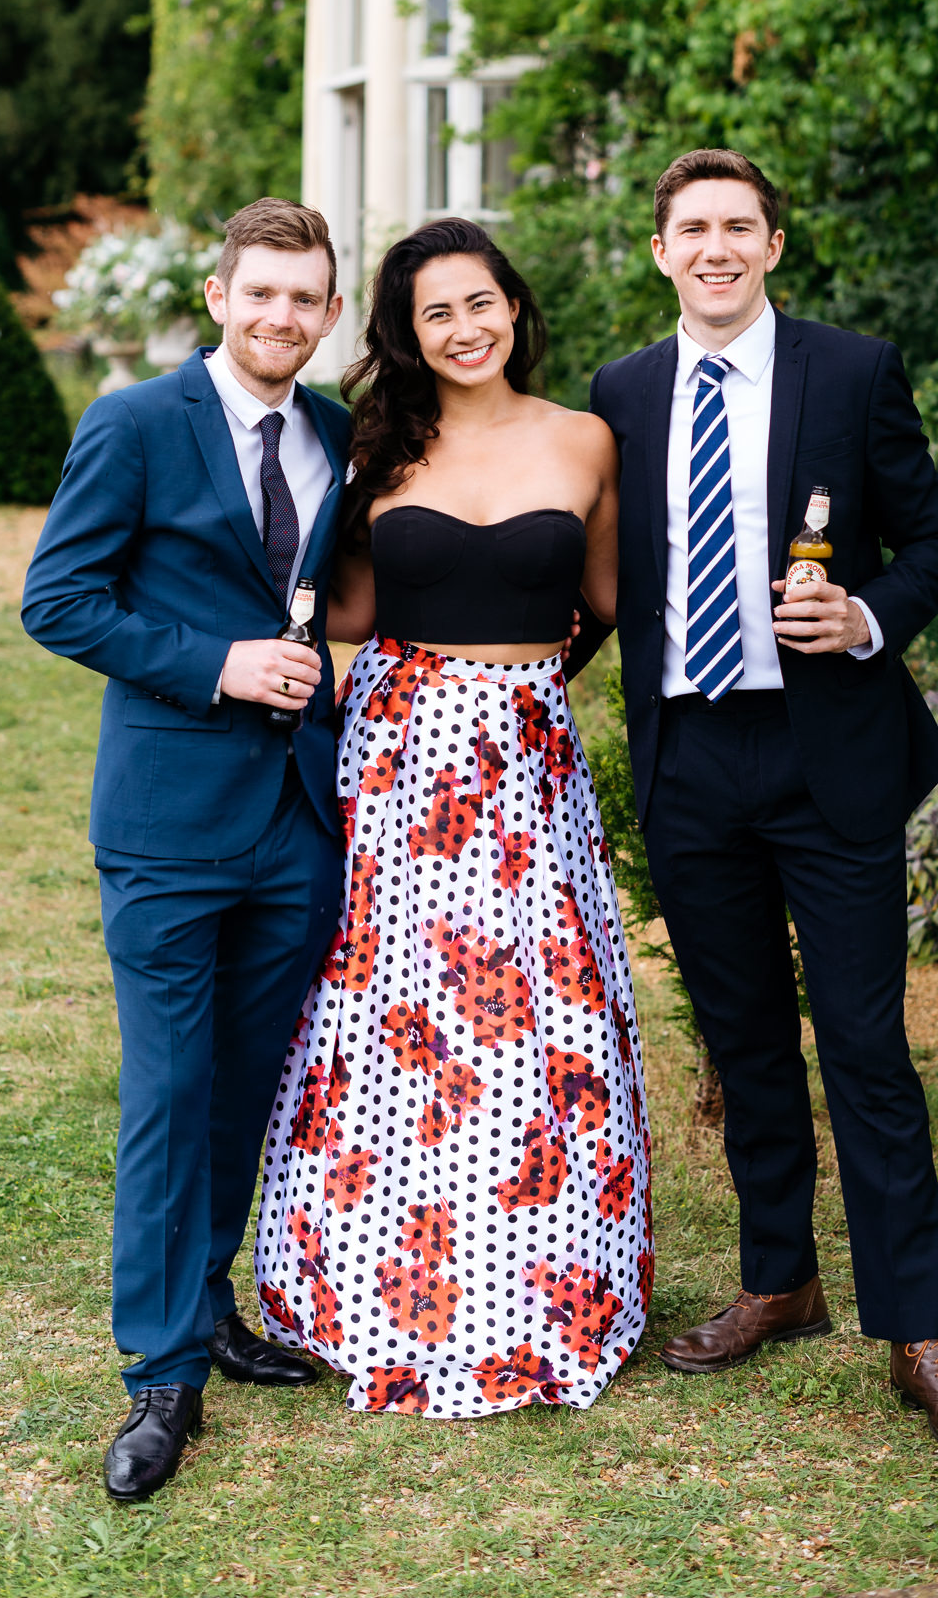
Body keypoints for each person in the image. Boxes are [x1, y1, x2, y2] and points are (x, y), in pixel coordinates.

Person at [580, 147, 938, 1460]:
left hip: (827, 754)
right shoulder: (620, 395)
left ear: (771, 245)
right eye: (689, 229)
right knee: (746, 1038)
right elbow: (596, 583)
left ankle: (915, 1333)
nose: (713, 247)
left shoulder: (852, 371)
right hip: (690, 760)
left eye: (737, 227)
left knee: (863, 1046)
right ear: (658, 251)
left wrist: (869, 612)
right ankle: (779, 1278)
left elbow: (935, 539)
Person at [253, 217, 652, 1417]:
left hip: (528, 767)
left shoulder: (587, 440)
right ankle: (378, 1295)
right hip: (397, 761)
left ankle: (543, 1293)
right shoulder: (379, 449)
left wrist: (518, 692)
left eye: (482, 303)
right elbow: (353, 612)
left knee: (539, 1019)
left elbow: (610, 602)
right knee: (397, 1025)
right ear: (408, 334)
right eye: (438, 313)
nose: (466, 328)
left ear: (515, 308)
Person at [21, 199, 352, 1501]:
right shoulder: (136, 425)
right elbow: (60, 599)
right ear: (218, 296)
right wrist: (214, 665)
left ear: (328, 316)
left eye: (304, 298)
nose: (280, 316)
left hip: (294, 824)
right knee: (167, 1092)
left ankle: (209, 1301)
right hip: (166, 824)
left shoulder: (334, 434)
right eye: (259, 292)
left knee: (241, 1083)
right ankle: (160, 1371)